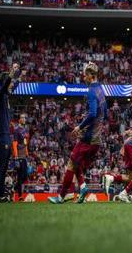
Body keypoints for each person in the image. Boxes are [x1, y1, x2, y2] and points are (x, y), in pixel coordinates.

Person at [49, 61, 107, 204]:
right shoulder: (101, 89)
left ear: (91, 75)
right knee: (77, 165)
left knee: (71, 163)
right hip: (97, 138)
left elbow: (92, 113)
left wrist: (80, 127)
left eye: (85, 75)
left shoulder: (91, 91)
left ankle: (61, 197)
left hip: (88, 138)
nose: (83, 78)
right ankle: (83, 187)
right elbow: (104, 112)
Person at [0, 63, 23, 201]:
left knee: (4, 167)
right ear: (5, 82)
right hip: (2, 136)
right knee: (0, 167)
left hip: (6, 136)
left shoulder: (5, 95)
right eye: (9, 82)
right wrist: (11, 75)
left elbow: (12, 87)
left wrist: (19, 77)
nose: (11, 85)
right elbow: (6, 86)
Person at [12, 113, 29, 201]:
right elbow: (14, 143)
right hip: (19, 155)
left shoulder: (25, 130)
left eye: (25, 118)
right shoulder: (16, 130)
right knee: (20, 176)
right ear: (19, 119)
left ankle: (14, 188)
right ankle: (20, 196)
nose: (24, 119)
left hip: (24, 155)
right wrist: (16, 156)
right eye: (23, 118)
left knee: (25, 176)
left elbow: (25, 142)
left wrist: (27, 152)